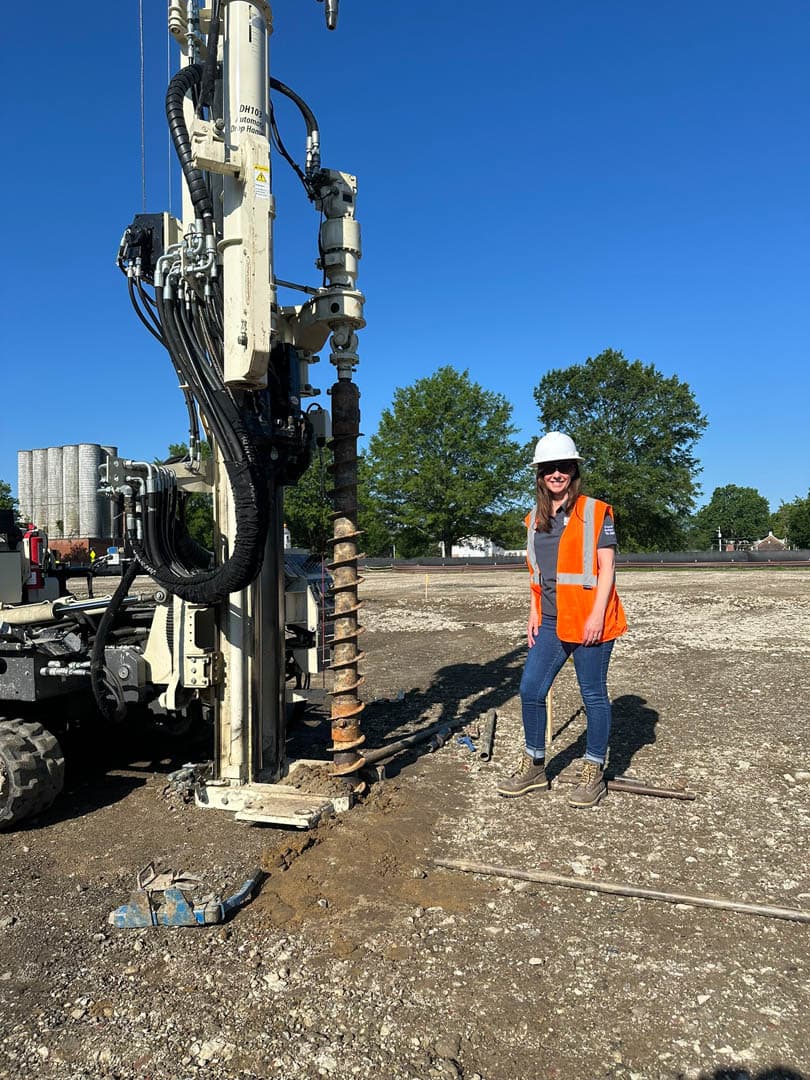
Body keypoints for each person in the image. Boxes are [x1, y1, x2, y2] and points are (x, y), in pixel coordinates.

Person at [498, 431, 627, 808]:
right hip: (552, 621)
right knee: (530, 689)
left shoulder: (594, 512)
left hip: (592, 621)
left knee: (593, 695)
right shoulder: (533, 521)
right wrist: (533, 611)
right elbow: (538, 575)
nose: (556, 474)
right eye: (548, 468)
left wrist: (597, 617)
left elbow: (607, 569)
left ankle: (593, 769)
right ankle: (535, 765)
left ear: (573, 470)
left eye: (563, 467)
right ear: (539, 475)